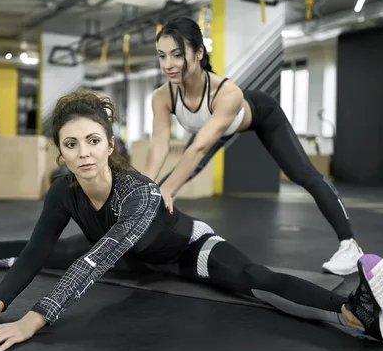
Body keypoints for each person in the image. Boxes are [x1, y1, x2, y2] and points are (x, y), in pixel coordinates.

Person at [0, 90, 383, 351]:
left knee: (252, 277)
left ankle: (355, 313)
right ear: (61, 153)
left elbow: (95, 264)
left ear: (110, 145)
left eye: (93, 141)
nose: (83, 153)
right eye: (71, 145)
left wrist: (31, 321)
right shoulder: (63, 191)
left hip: (186, 251)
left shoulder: (139, 193)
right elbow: (33, 252)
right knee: (42, 251)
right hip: (122, 256)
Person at [146, 17, 361, 276]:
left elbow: (198, 149)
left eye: (177, 55)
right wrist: (144, 191)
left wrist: (164, 191)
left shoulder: (227, 93)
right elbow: (159, 146)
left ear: (199, 53)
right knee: (164, 186)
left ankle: (350, 245)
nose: (168, 65)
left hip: (261, 114)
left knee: (303, 173)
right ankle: (150, 238)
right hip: (216, 126)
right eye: (162, 56)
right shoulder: (162, 96)